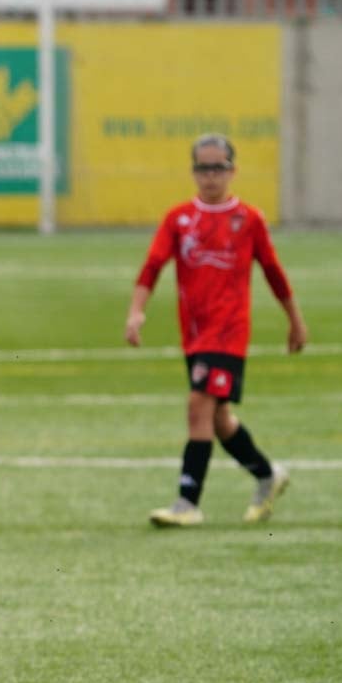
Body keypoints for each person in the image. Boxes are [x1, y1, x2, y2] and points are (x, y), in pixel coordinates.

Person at [125, 133, 308, 527]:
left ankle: (187, 503)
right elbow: (152, 266)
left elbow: (274, 272)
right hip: (194, 333)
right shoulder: (178, 219)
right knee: (219, 419)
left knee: (197, 407)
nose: (210, 176)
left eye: (218, 167)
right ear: (193, 171)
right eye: (203, 168)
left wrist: (295, 320)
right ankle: (267, 475)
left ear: (232, 170)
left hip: (228, 333)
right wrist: (136, 312)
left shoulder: (249, 219)